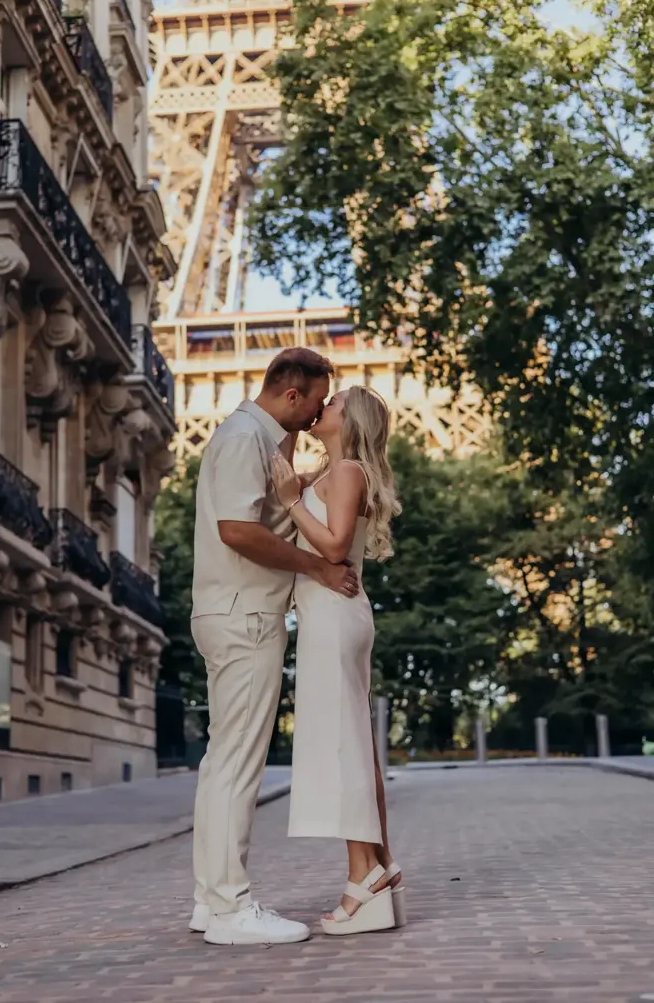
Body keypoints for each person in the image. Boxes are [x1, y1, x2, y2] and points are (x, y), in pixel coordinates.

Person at [189, 348, 361, 946]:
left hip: (232, 611)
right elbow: (237, 530)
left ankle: (210, 901)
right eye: (317, 399)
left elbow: (266, 510)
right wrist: (317, 568)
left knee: (223, 762)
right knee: (237, 765)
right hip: (245, 615)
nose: (319, 411)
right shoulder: (245, 439)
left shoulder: (258, 437)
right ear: (293, 395)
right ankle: (230, 908)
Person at [271, 386, 406, 937]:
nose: (323, 404)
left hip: (333, 617)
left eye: (335, 402)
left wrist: (291, 502)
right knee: (354, 746)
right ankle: (381, 865)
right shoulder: (336, 472)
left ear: (351, 422)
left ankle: (362, 877)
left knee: (343, 748)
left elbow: (332, 547)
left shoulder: (348, 471)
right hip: (334, 617)